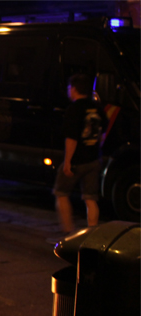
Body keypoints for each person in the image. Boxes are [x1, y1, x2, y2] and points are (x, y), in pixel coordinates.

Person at [53, 73, 107, 236]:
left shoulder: (74, 109)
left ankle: (68, 232)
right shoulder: (97, 107)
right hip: (93, 159)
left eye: (70, 88)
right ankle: (92, 232)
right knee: (91, 198)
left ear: (74, 89)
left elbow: (72, 138)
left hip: (77, 160)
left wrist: (68, 161)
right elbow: (102, 134)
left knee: (61, 193)